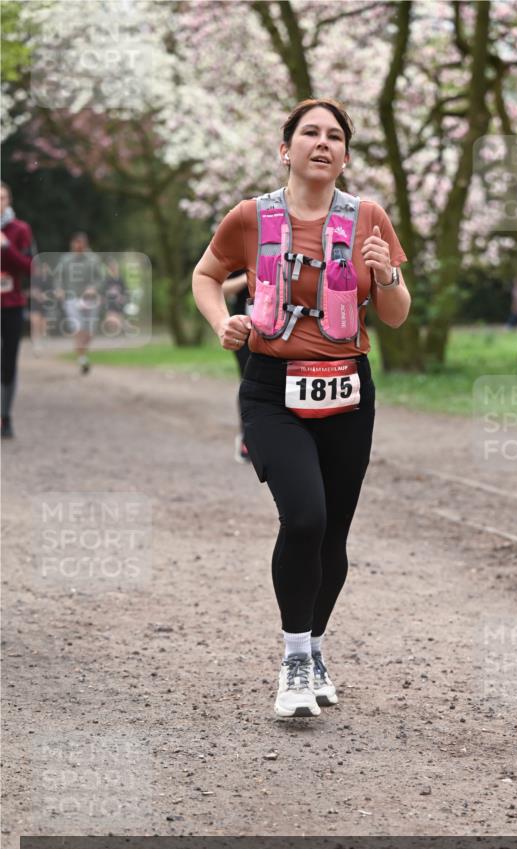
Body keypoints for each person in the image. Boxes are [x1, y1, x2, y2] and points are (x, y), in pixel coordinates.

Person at [192, 98, 411, 719]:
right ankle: (293, 660)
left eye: (335, 136)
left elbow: (395, 315)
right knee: (306, 517)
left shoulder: (367, 217)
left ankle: (314, 648)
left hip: (347, 389)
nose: (323, 143)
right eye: (309, 133)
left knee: (333, 533)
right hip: (272, 389)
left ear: (344, 155)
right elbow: (205, 276)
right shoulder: (250, 216)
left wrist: (385, 276)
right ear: (285, 149)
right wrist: (222, 323)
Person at [1, 181, 34, 439]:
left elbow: (30, 267)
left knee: (8, 363)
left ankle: (6, 417)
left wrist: (6, 247)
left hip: (11, 305)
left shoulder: (20, 229)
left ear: (8, 200)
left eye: (2, 198)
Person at [53, 232, 107, 373]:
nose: (78, 246)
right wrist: (59, 289)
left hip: (90, 300)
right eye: (75, 243)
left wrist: (94, 288)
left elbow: (101, 278)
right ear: (72, 244)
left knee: (90, 331)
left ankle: (82, 352)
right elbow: (58, 277)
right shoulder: (65, 260)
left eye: (81, 243)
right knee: (78, 329)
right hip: (71, 299)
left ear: (85, 244)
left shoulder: (94, 259)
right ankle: (82, 359)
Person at [221, 268, 252, 463]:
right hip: (244, 331)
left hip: (279, 330)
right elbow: (222, 288)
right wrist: (248, 277)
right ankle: (247, 439)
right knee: (249, 383)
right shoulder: (242, 247)